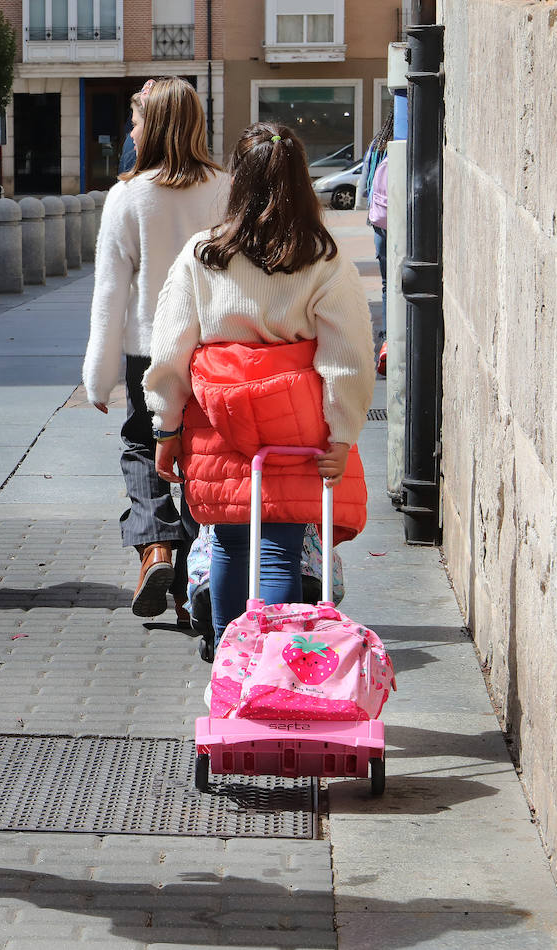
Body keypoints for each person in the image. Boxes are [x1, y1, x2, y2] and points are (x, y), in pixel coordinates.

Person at [143, 122, 375, 645]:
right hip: (295, 426)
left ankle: (231, 658)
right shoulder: (323, 259)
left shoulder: (204, 254)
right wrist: (342, 434)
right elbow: (349, 356)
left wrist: (166, 427)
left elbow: (171, 349)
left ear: (238, 182)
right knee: (279, 548)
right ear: (300, 180)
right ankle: (270, 662)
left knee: (226, 540)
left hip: (219, 421)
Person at [82, 76, 229, 623]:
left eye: (137, 120)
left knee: (143, 445)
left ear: (156, 127)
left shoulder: (128, 196)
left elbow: (109, 292)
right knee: (199, 457)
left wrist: (98, 376)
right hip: (211, 349)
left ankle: (156, 545)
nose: (132, 130)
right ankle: (194, 581)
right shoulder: (225, 189)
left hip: (149, 353)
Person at [359, 109, 392, 332]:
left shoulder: (378, 144)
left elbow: (364, 183)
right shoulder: (406, 143)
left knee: (386, 282)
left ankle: (388, 331)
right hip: (401, 220)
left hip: (380, 220)